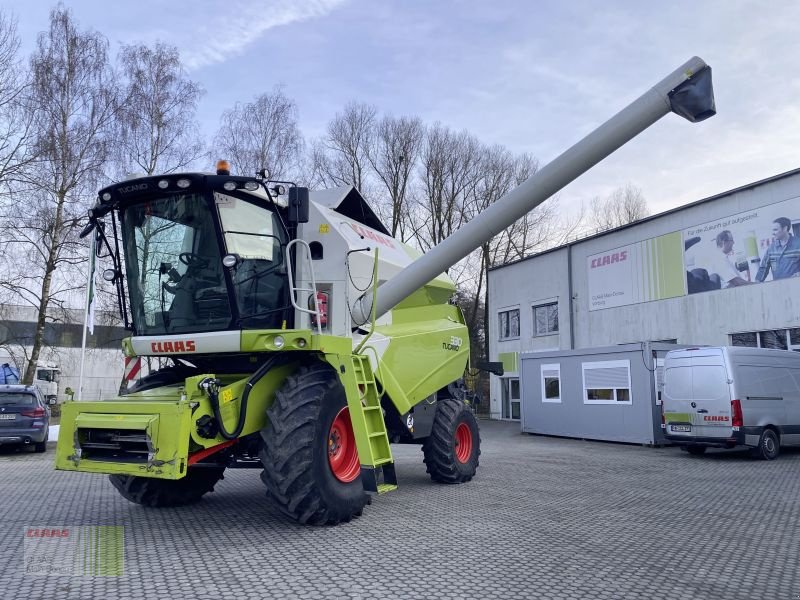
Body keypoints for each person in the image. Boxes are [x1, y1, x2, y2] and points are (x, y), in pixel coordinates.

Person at [755, 217, 800, 281]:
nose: (773, 233)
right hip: (778, 286)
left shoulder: (798, 244)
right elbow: (763, 269)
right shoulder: (771, 248)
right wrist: (757, 283)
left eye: (775, 230)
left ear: (785, 228)